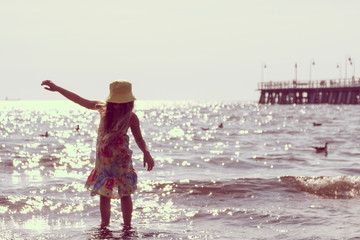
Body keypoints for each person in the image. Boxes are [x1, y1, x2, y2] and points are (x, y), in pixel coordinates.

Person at [41, 79, 155, 228]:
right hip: (104, 162)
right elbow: (79, 100)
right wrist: (57, 88)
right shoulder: (103, 109)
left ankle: (127, 226)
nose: (120, 106)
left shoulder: (131, 117)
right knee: (104, 193)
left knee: (125, 194)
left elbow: (139, 138)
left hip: (122, 161)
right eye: (117, 102)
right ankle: (104, 225)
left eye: (123, 103)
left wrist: (146, 153)